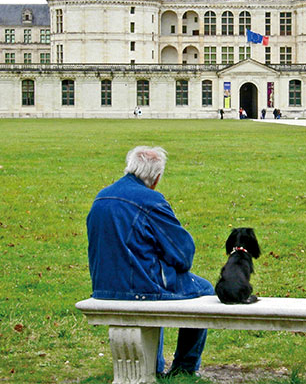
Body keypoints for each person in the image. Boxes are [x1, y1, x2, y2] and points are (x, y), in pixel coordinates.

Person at [87, 146, 214, 378]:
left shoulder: (102, 196)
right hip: (138, 286)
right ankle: (184, 369)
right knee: (203, 290)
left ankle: (153, 365)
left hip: (103, 285)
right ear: (156, 178)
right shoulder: (151, 200)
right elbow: (182, 253)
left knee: (153, 285)